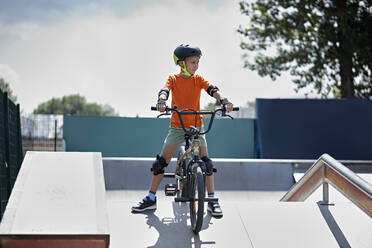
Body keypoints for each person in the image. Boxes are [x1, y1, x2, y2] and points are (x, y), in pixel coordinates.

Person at [131, 44, 233, 218]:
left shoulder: (198, 79)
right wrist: (161, 102)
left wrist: (224, 100)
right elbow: (165, 91)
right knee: (161, 162)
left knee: (207, 163)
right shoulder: (173, 79)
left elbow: (213, 90)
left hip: (197, 125)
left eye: (198, 62)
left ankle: (212, 200)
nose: (196, 65)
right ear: (181, 63)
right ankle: (151, 198)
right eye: (193, 62)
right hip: (177, 126)